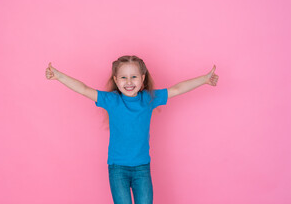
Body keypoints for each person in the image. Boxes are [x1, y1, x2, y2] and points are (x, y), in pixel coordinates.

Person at [45, 55, 219, 204]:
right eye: (123, 78)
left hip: (142, 168)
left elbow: (177, 88)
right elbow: (83, 89)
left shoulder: (149, 98)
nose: (129, 82)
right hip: (117, 169)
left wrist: (204, 79)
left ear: (142, 79)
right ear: (115, 80)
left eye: (134, 77)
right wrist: (58, 76)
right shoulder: (111, 100)